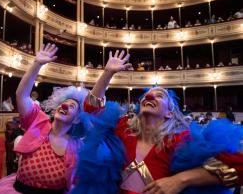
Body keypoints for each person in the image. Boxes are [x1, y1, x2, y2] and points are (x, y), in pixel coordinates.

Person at [73, 50, 243, 194]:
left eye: (159, 95)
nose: (148, 96)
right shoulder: (123, 128)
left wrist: (181, 180)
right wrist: (107, 73)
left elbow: (237, 169)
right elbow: (91, 110)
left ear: (170, 112)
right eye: (146, 96)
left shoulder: (181, 140)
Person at [0, 43, 97, 194]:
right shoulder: (38, 122)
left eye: (72, 106)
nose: (65, 106)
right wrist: (37, 64)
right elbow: (21, 95)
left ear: (76, 119)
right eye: (63, 103)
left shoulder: (76, 146)